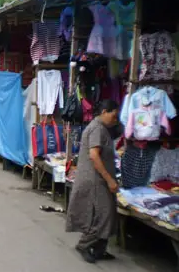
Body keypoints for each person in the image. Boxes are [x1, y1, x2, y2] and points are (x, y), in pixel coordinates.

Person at [66, 99, 120, 264]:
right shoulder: (97, 129)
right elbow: (94, 156)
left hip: (98, 179)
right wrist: (110, 179)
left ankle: (99, 248)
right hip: (95, 180)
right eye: (113, 115)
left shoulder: (101, 128)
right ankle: (84, 245)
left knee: (107, 214)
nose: (115, 119)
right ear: (104, 112)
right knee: (102, 215)